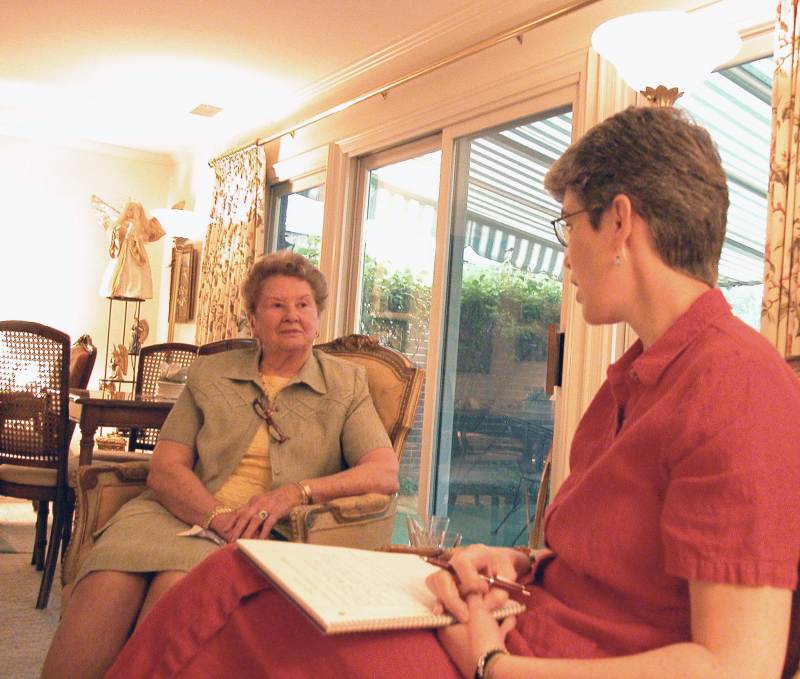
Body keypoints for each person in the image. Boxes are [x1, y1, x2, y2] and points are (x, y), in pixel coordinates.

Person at [100, 106, 800, 679]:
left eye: (568, 225)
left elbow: (738, 664)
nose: (564, 255)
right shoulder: (633, 380)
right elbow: (625, 570)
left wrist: (494, 663)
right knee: (236, 574)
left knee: (241, 621)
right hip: (517, 625)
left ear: (618, 222)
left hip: (524, 661)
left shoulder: (737, 385)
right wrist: (525, 565)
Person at [41, 251, 399, 679]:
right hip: (179, 511)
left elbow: (383, 471)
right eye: (277, 304)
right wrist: (214, 515)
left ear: (317, 316)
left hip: (267, 528)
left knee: (175, 587)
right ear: (253, 317)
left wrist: (295, 493)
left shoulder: (345, 383)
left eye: (303, 304)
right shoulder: (210, 373)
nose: (292, 316)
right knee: (105, 581)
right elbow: (167, 466)